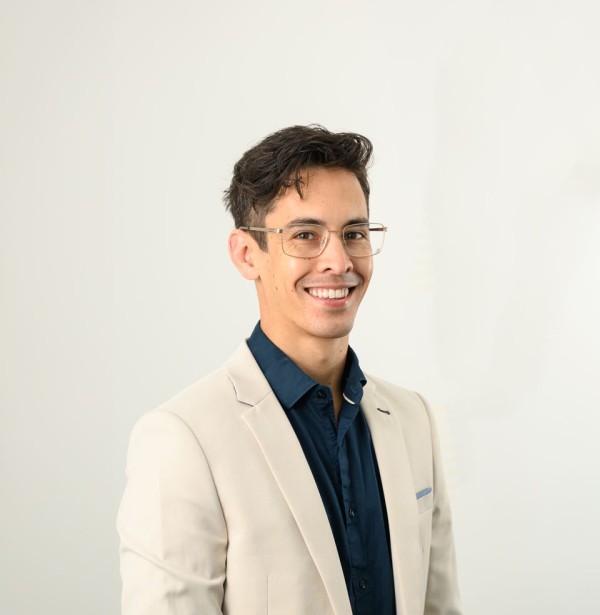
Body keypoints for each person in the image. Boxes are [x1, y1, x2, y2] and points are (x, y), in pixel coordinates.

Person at [117, 125, 462, 615]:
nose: (338, 261)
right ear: (247, 254)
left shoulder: (413, 419)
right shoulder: (182, 439)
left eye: (354, 234)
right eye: (305, 235)